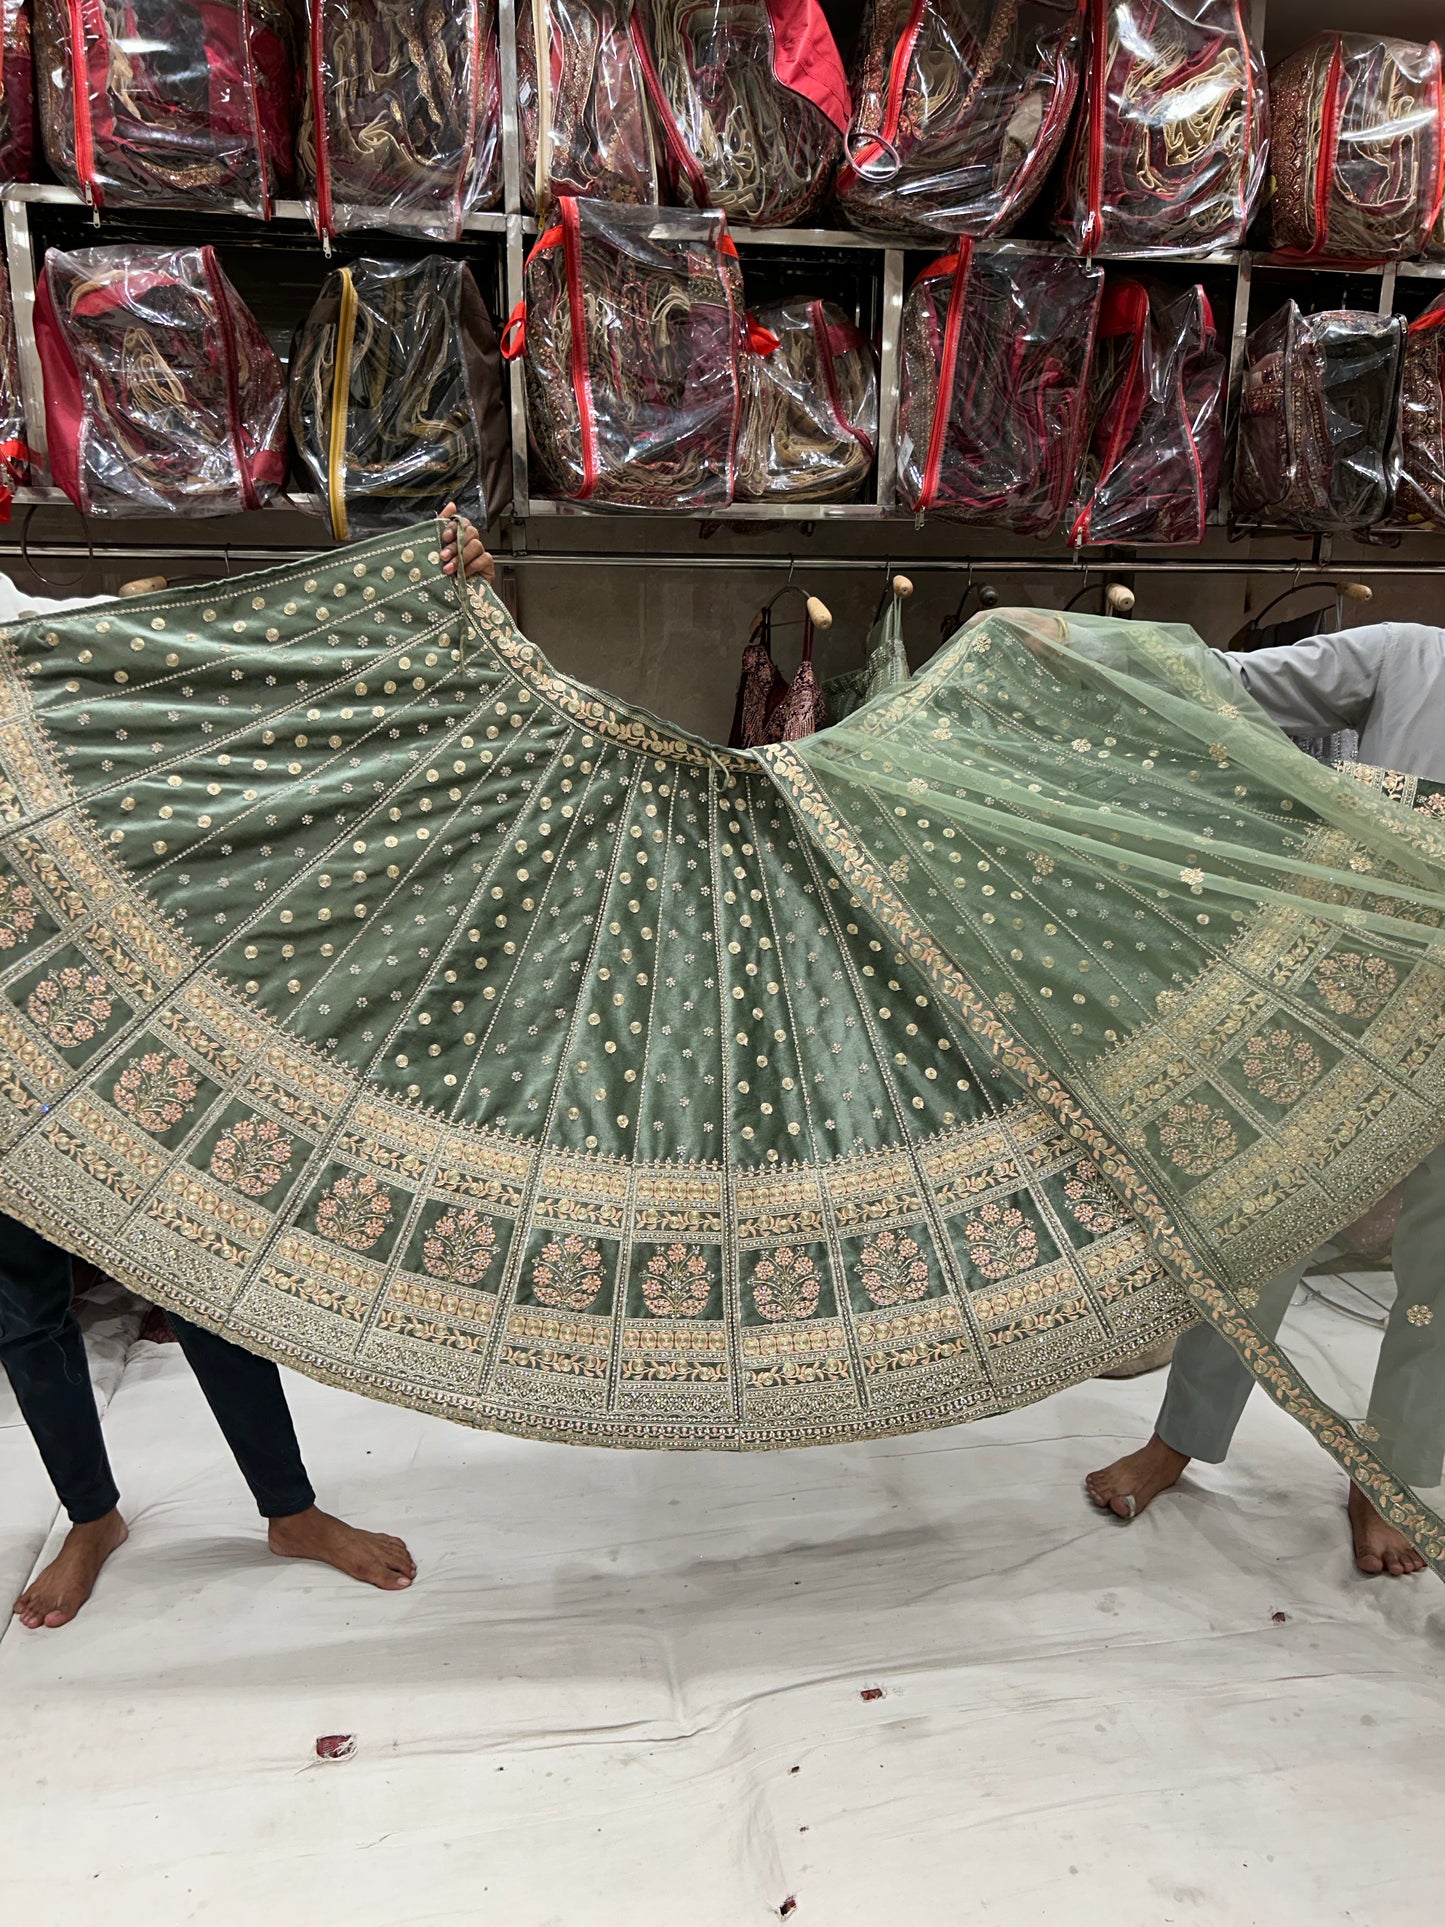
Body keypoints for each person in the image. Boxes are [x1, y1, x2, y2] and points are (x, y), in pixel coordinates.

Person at [1, 509, 492, 1629]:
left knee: (187, 1254)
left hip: (73, 1009)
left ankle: (287, 1505)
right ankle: (91, 1514)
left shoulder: (15, 625)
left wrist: (410, 589)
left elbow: (194, 650)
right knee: (22, 1305)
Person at [1087, 620, 1445, 1577]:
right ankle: (1179, 1438)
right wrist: (1078, 641)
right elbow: (1218, 680)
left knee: (1442, 1269)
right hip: (1351, 1003)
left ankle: (1391, 1477)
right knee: (1262, 1224)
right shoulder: (1412, 659)